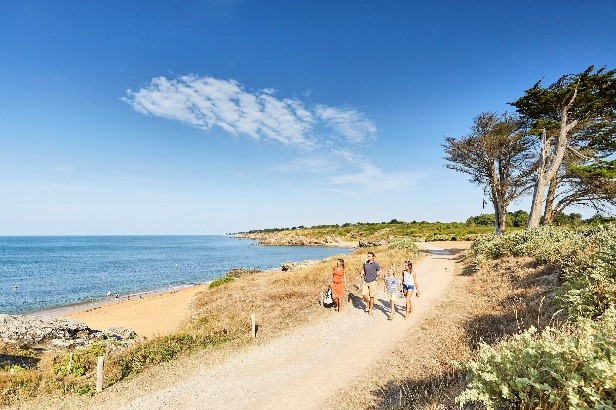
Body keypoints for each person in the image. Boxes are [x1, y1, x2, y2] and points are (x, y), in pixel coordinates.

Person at [360, 251, 381, 315]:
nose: (368, 257)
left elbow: (379, 271)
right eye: (367, 256)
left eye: (369, 256)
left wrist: (379, 276)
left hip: (373, 282)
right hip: (366, 281)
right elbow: (363, 269)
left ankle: (370, 309)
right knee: (363, 294)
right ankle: (368, 302)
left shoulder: (376, 264)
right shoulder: (365, 263)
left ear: (373, 257)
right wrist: (361, 273)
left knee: (372, 296)